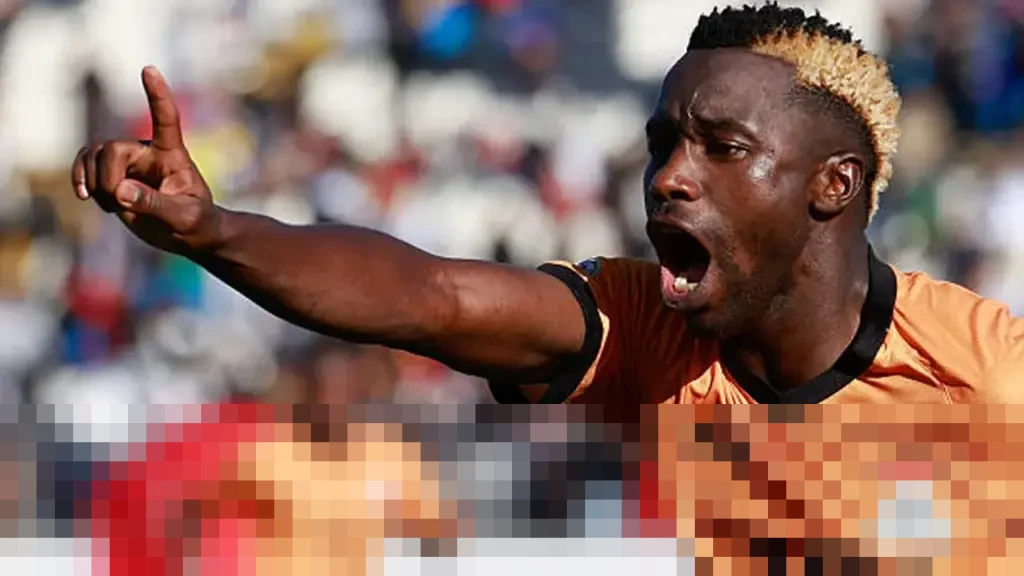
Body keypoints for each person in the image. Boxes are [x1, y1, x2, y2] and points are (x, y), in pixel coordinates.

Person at [71, 3, 1024, 405]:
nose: (669, 177)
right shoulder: (646, 330)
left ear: (835, 184)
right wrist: (215, 231)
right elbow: (431, 298)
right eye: (663, 144)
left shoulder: (985, 375)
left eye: (723, 149)